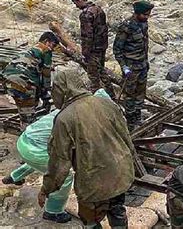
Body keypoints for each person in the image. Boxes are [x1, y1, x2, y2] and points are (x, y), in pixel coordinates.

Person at [39, 68, 134, 228]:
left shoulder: (64, 118)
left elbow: (60, 163)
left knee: (90, 219)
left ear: (60, 89)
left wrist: (46, 189)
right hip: (120, 172)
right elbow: (127, 139)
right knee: (117, 210)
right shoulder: (106, 103)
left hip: (93, 181)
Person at [2, 88, 113, 223]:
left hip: (24, 141)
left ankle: (14, 177)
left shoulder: (72, 106)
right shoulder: (83, 119)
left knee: (45, 159)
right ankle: (53, 211)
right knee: (64, 175)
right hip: (34, 150)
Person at [2, 32, 59, 127]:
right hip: (22, 82)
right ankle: (27, 136)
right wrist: (46, 91)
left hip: (6, 80)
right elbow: (46, 74)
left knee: (25, 106)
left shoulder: (28, 49)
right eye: (53, 45)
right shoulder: (46, 51)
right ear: (46, 41)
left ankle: (25, 122)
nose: (52, 49)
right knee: (28, 117)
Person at [113, 0, 154, 128]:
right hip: (131, 67)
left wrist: (146, 62)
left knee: (140, 93)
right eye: (145, 15)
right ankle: (130, 122)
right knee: (129, 95)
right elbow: (117, 49)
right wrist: (123, 66)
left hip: (142, 65)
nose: (147, 17)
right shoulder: (126, 26)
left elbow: (145, 44)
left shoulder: (143, 24)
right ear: (137, 13)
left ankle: (137, 117)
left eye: (148, 15)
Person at [71, 0, 114, 98]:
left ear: (79, 0)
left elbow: (87, 35)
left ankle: (98, 98)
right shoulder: (99, 9)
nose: (76, 6)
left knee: (94, 75)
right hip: (102, 47)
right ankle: (111, 94)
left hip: (93, 49)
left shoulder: (86, 14)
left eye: (76, 3)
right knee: (101, 70)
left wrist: (85, 51)